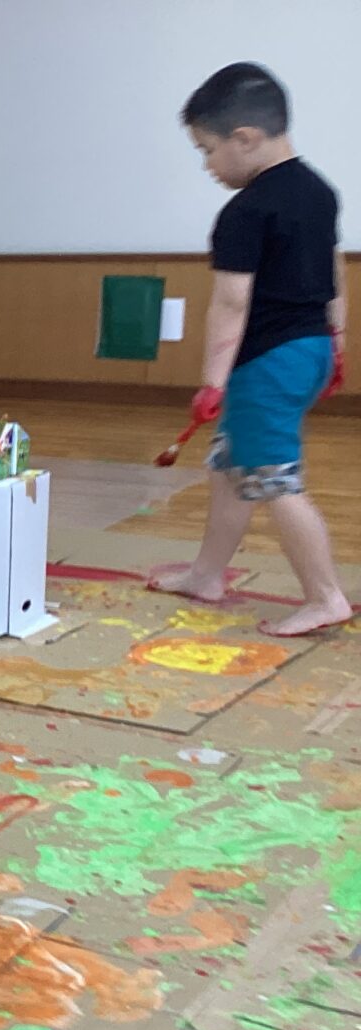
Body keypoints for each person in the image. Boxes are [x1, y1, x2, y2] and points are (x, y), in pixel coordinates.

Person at [150, 62, 350, 636]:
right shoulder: (319, 191)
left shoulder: (245, 212)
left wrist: (212, 382)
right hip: (309, 350)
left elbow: (231, 305)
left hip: (268, 363)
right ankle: (207, 574)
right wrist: (337, 343)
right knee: (230, 465)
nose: (207, 165)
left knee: (273, 480)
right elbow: (335, 272)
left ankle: (325, 596)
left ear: (244, 138)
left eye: (208, 150)